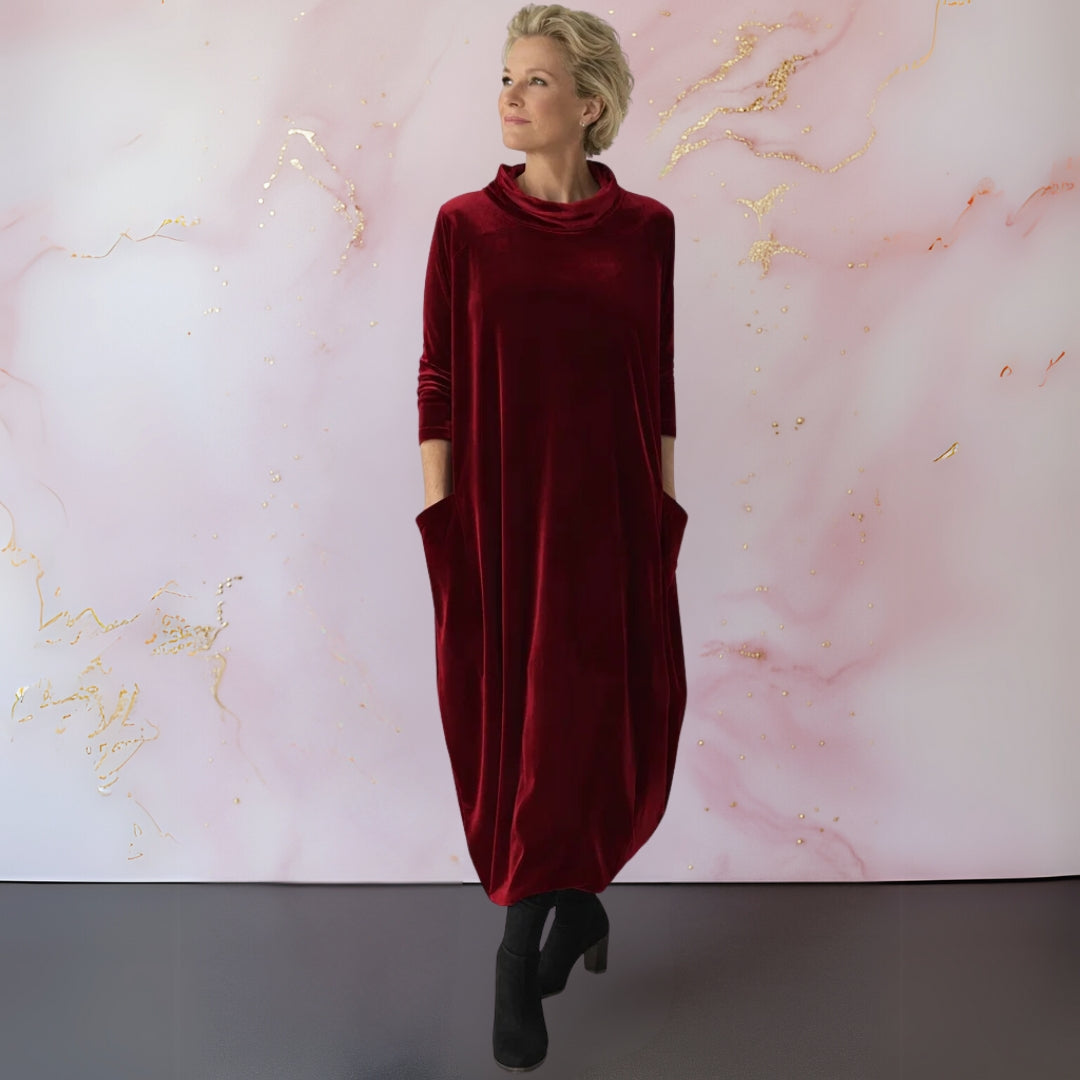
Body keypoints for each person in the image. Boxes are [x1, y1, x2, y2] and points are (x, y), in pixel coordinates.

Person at [415, 3, 688, 1070]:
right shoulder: (464, 228)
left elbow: (657, 382)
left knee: (593, 726)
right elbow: (438, 379)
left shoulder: (648, 230)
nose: (512, 97)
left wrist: (661, 517)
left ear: (590, 102)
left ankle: (556, 925)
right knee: (518, 732)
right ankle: (541, 934)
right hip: (498, 519)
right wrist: (442, 517)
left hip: (612, 519)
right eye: (507, 77)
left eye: (535, 80)